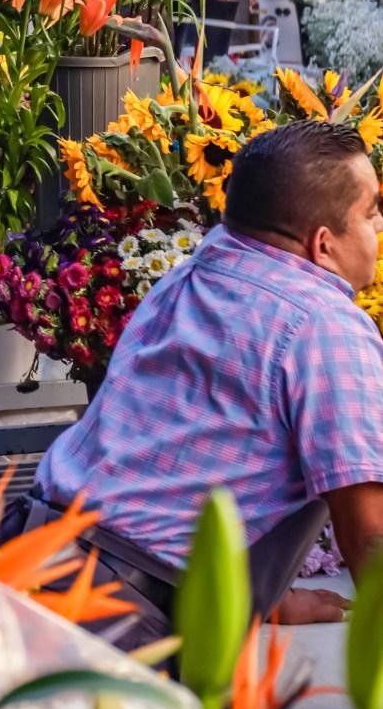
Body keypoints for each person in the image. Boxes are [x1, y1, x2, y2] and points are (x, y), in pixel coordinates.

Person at [32, 119, 383, 626]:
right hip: (116, 614)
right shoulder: (326, 326)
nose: (378, 226)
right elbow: (369, 534)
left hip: (35, 551)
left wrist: (268, 600)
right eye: (370, 212)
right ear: (323, 243)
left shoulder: (190, 276)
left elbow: (177, 448)